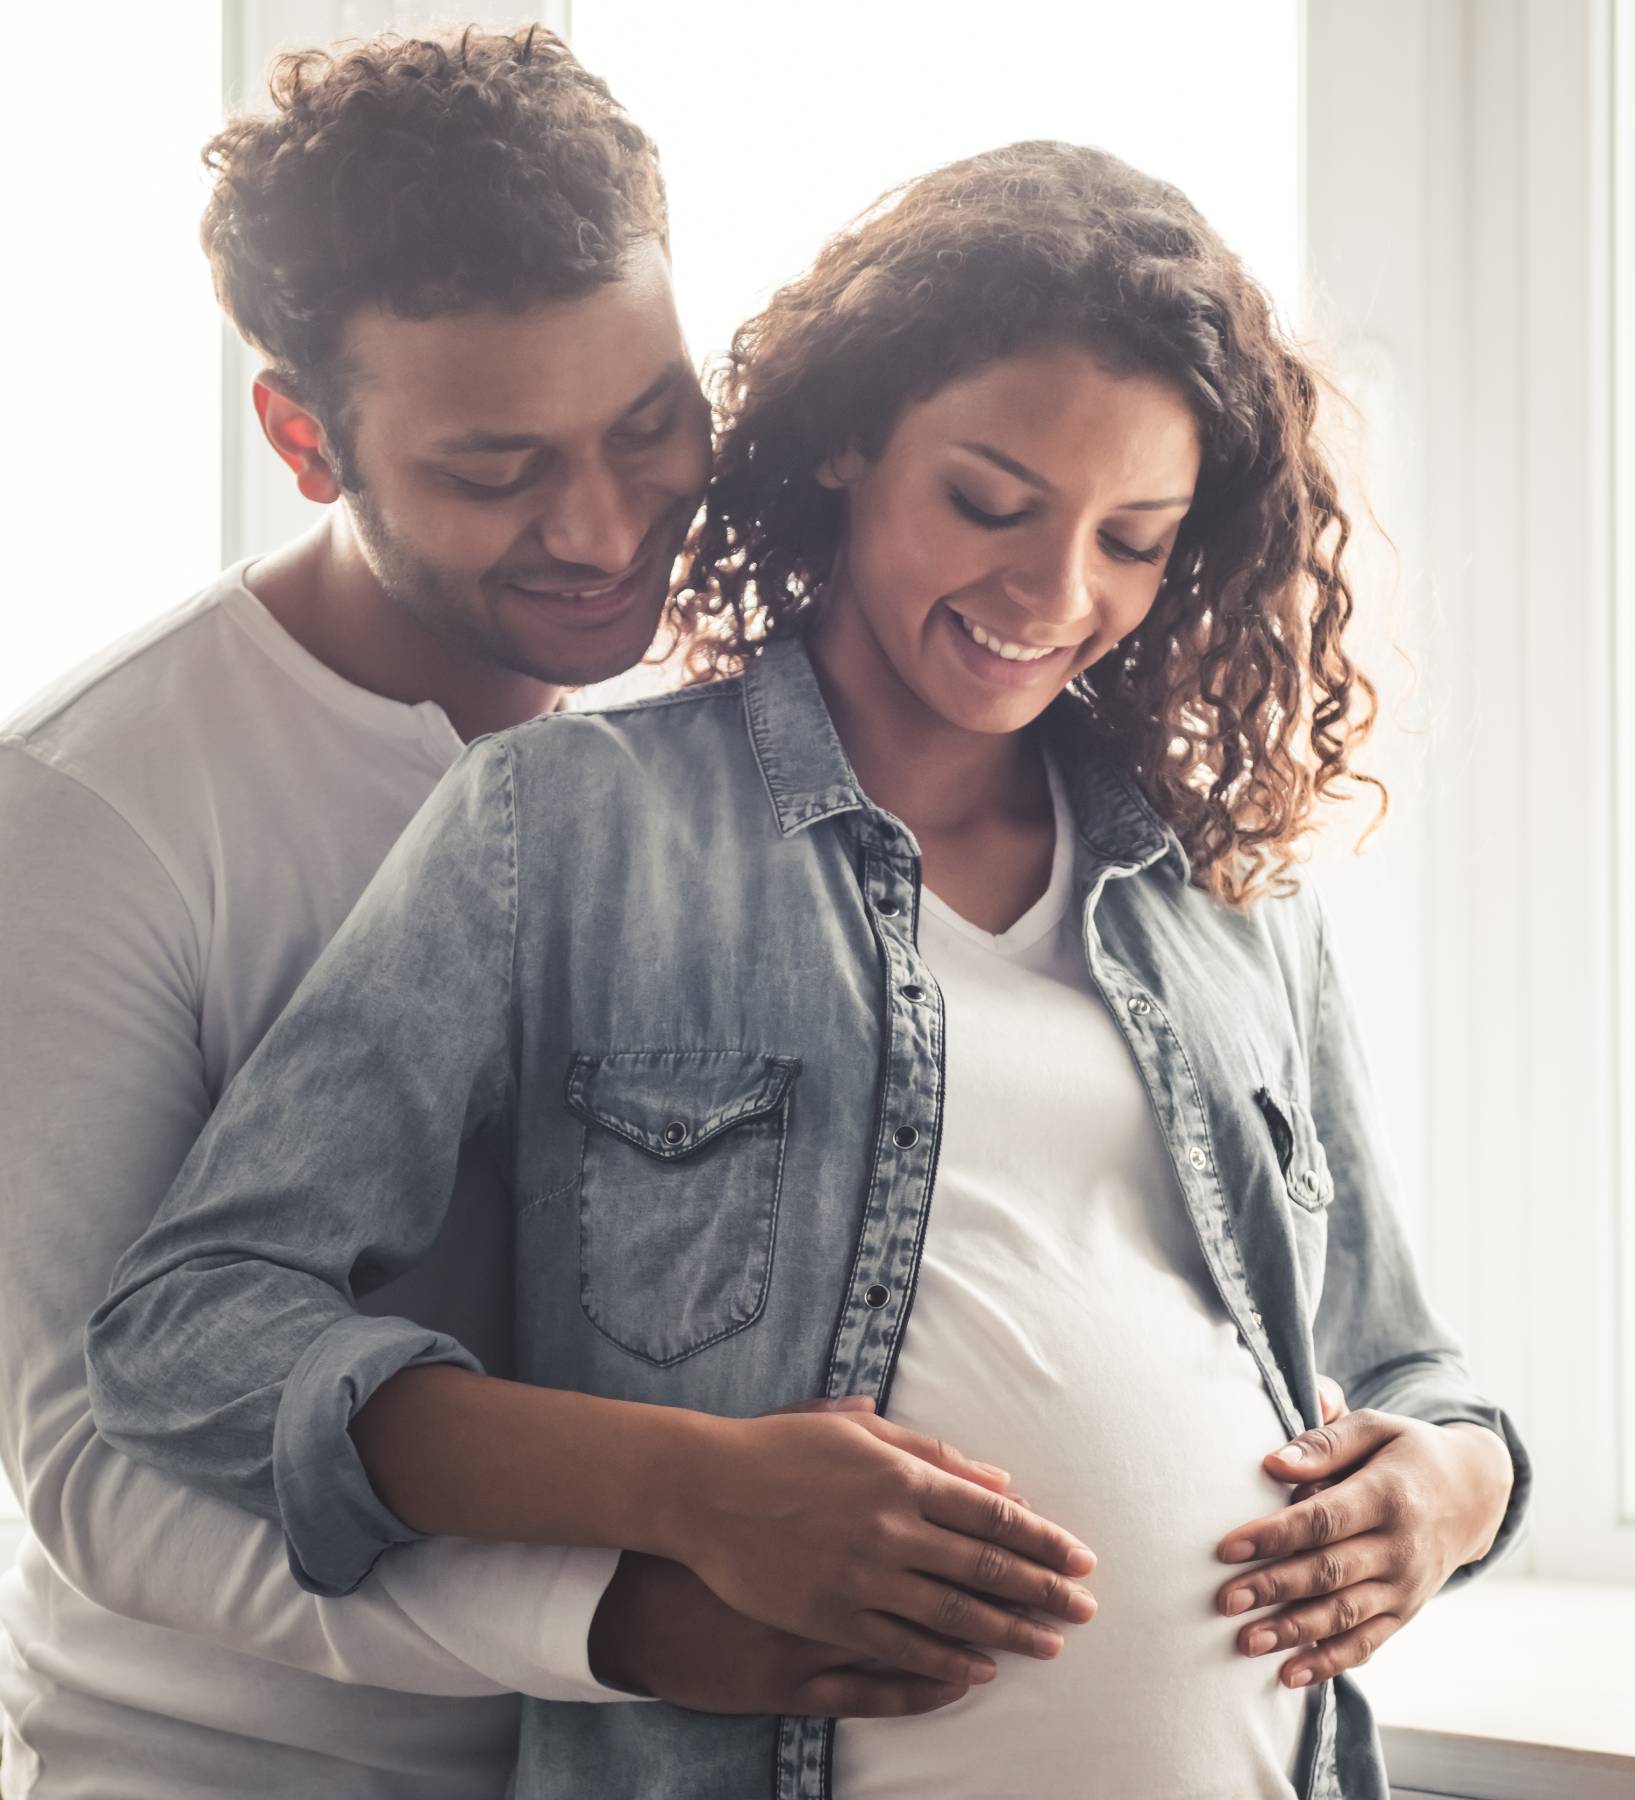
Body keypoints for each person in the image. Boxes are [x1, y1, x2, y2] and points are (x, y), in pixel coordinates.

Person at [87, 141, 1530, 1799]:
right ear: (850, 437)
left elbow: (1412, 1367)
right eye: (990, 503)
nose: (1055, 594)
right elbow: (186, 1337)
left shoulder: (1224, 895)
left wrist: (1452, 1491)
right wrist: (684, 1487)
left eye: (1134, 538)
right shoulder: (565, 828)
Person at [0, 28, 1032, 1800]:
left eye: (650, 426)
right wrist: (621, 1616)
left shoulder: (718, 745)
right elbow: (99, 1470)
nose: (607, 526)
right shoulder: (86, 818)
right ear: (304, 438)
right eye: (496, 472)